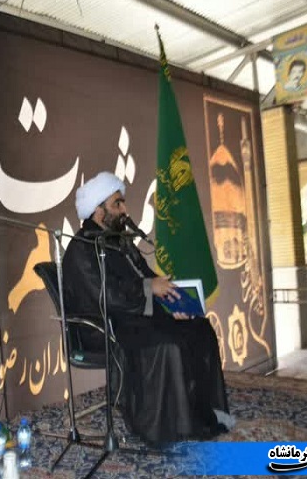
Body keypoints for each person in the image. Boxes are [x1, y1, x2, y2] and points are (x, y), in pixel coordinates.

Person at [62, 172, 233, 445]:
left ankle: (207, 411)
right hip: (106, 328)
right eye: (117, 204)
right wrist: (149, 289)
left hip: (137, 316)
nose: (124, 210)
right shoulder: (81, 250)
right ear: (98, 211)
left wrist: (171, 304)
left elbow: (147, 277)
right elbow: (107, 297)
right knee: (170, 343)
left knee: (199, 328)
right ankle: (177, 426)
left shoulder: (119, 242)